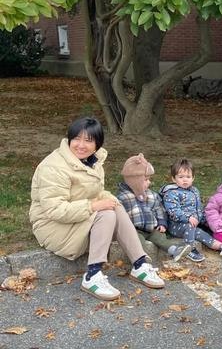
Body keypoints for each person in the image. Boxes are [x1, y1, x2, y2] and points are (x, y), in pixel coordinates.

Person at [30, 116, 164, 301]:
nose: (81, 145)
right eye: (76, 138)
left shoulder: (92, 161)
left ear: (97, 144)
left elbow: (96, 192)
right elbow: (55, 210)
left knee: (114, 206)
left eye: (88, 140)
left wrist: (108, 200)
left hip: (76, 220)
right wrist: (94, 206)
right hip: (52, 226)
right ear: (69, 139)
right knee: (106, 213)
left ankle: (140, 264)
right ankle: (92, 275)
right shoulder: (54, 167)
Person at [161, 159, 222, 262]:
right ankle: (189, 249)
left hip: (194, 222)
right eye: (181, 177)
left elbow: (199, 208)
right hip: (177, 225)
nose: (185, 180)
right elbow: (173, 211)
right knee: (192, 227)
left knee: (206, 229)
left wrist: (205, 218)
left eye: (188, 177)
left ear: (193, 178)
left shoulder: (194, 191)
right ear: (174, 179)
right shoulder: (171, 193)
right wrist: (187, 218)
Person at [117, 153, 192, 262]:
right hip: (134, 230)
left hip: (151, 228)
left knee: (160, 238)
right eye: (146, 180)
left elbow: (159, 209)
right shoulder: (124, 197)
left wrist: (162, 223)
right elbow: (119, 215)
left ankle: (174, 250)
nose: (149, 182)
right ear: (135, 180)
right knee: (136, 240)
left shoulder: (151, 195)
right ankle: (140, 257)